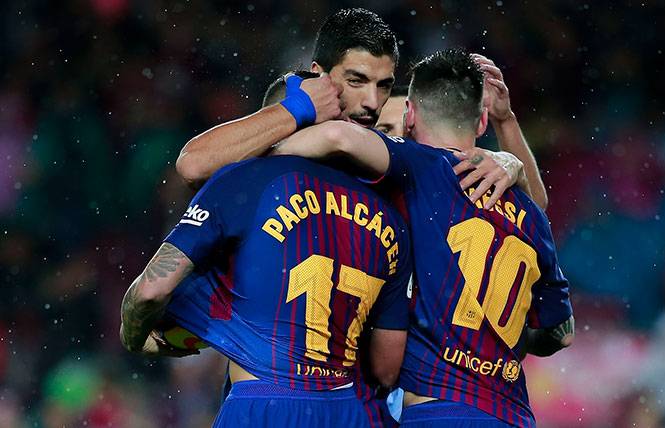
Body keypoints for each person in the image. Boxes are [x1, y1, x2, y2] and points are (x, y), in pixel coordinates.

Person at [265, 49, 574, 427]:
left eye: (397, 130)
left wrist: (254, 162)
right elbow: (560, 333)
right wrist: (488, 346)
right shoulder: (528, 217)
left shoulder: (416, 170)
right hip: (510, 414)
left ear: (410, 117)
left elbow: (337, 136)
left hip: (429, 408)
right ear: (480, 123)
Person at [119, 146, 413, 426]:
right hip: (348, 409)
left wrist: (133, 336)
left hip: (264, 405)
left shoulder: (248, 180)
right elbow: (386, 368)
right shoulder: (388, 216)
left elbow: (149, 292)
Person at [174, 8, 543, 212]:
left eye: (383, 85)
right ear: (319, 75)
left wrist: (508, 143)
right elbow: (193, 166)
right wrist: (297, 110)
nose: (370, 102)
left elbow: (533, 213)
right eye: (356, 81)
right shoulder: (292, 117)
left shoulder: (400, 157)